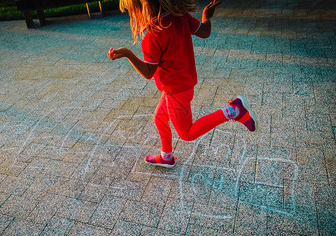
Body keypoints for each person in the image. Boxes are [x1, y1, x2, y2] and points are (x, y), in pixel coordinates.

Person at [108, 0, 257, 168]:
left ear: (142, 8)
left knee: (186, 133)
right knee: (159, 119)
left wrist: (128, 54)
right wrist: (206, 17)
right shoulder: (180, 17)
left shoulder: (152, 36)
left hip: (176, 91)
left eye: (132, 10)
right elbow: (205, 31)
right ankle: (166, 156)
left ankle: (233, 110)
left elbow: (148, 73)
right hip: (182, 84)